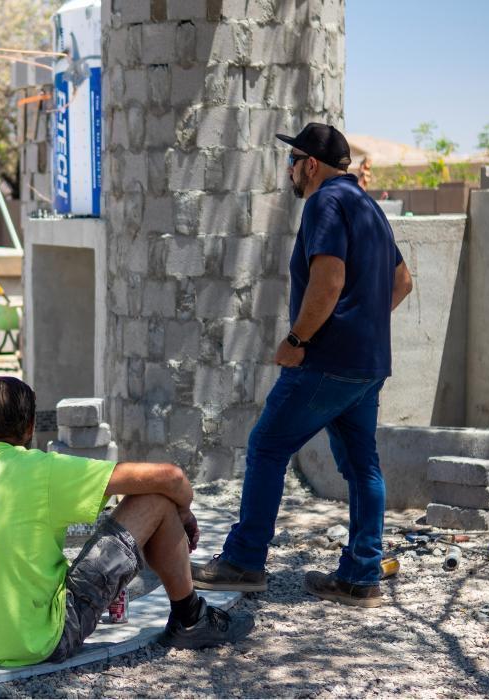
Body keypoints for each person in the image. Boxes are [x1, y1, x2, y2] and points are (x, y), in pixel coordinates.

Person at [192, 123, 414, 608]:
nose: (288, 171)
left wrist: (298, 338)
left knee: (267, 445)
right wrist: (362, 325)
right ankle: (360, 576)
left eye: (291, 161)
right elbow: (402, 282)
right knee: (362, 467)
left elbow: (329, 279)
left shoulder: (325, 202)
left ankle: (244, 561)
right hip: (367, 365)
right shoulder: (369, 207)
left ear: (310, 165)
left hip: (325, 362)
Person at [0, 377, 254, 667]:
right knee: (155, 499)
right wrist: (182, 512)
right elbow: (171, 477)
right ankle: (190, 618)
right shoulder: (39, 469)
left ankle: (189, 616)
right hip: (43, 641)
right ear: (30, 427)